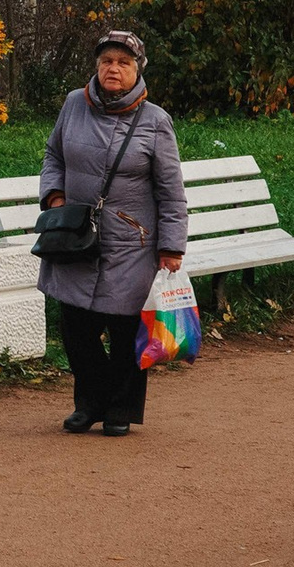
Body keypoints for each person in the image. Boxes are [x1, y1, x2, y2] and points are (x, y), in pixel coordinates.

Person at [37, 28, 187, 436]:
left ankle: (119, 409)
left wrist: (171, 246)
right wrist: (54, 196)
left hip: (131, 243)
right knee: (76, 327)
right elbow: (53, 154)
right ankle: (88, 404)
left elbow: (171, 191)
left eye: (123, 62)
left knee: (124, 331)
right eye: (107, 61)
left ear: (137, 69)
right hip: (76, 236)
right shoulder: (73, 104)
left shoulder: (156, 121)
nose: (113, 69)